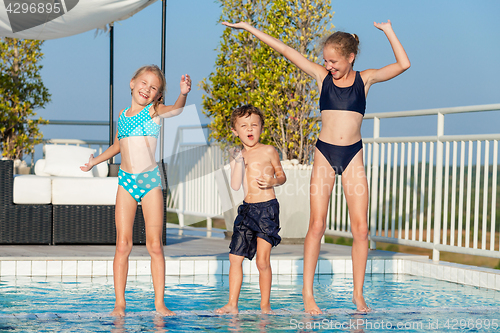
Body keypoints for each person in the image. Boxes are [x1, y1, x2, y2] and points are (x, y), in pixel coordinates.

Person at [223, 20, 410, 314]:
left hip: (353, 156)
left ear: (350, 58)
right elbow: (286, 50)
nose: (328, 65)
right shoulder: (322, 78)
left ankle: (358, 294)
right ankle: (308, 294)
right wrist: (249, 29)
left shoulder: (366, 79)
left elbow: (403, 64)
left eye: (333, 60)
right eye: (325, 60)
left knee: (361, 229)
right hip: (325, 154)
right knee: (317, 224)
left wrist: (388, 30)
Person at [80, 65, 192, 316]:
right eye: (143, 83)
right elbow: (120, 143)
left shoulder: (153, 111)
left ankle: (160, 303)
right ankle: (120, 303)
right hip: (126, 182)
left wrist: (183, 94)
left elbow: (175, 110)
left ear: (156, 95)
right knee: (122, 245)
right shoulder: (123, 114)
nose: (147, 89)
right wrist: (96, 161)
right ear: (132, 83)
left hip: (150, 182)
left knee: (154, 245)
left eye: (153, 87)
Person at [216, 105, 286, 314]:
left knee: (262, 260)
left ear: (261, 128)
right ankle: (232, 304)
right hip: (247, 210)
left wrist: (273, 180)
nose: (250, 129)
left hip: (266, 210)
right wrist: (237, 161)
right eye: (244, 125)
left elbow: (282, 175)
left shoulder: (268, 151)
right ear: (235, 131)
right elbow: (236, 185)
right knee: (234, 257)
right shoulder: (238, 154)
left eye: (254, 125)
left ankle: (265, 305)